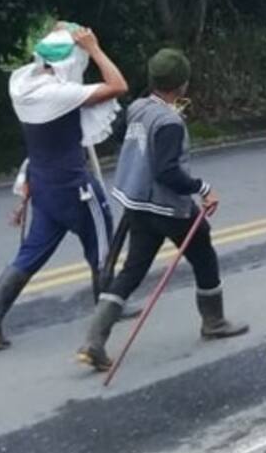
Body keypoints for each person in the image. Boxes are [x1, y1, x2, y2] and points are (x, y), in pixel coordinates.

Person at [76, 49, 248, 370]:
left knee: (132, 270)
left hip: (137, 203)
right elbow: (168, 172)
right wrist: (203, 189)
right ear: (182, 85)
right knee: (204, 254)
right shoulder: (170, 122)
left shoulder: (138, 108)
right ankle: (214, 321)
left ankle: (94, 339)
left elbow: (120, 139)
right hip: (167, 207)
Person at [0, 25, 127, 350]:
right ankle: (104, 314)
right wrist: (95, 49)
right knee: (102, 248)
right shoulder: (59, 95)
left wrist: (62, 31)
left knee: (29, 254)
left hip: (43, 186)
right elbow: (118, 85)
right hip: (75, 188)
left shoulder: (22, 85)